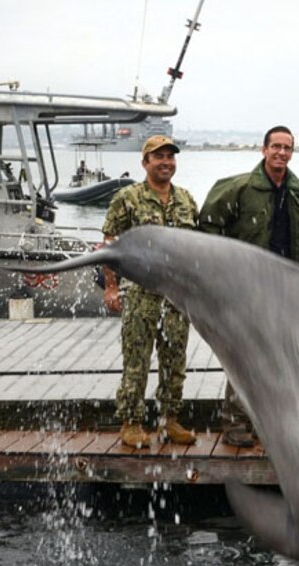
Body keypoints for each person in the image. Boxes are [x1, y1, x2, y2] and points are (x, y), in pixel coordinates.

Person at [199, 125, 299, 447]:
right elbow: (208, 225)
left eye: (287, 148)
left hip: (286, 289)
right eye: (275, 146)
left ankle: (268, 422)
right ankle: (234, 422)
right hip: (246, 288)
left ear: (293, 153)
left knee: (280, 359)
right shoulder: (238, 188)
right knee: (245, 356)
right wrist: (224, 271)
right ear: (264, 149)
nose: (281, 153)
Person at [101, 134, 199, 450]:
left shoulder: (186, 199)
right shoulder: (127, 198)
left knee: (174, 360)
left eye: (170, 157)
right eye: (159, 157)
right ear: (145, 162)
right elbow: (109, 244)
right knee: (137, 361)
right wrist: (111, 287)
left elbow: (194, 248)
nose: (166, 162)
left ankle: (170, 419)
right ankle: (131, 422)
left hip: (175, 296)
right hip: (140, 293)